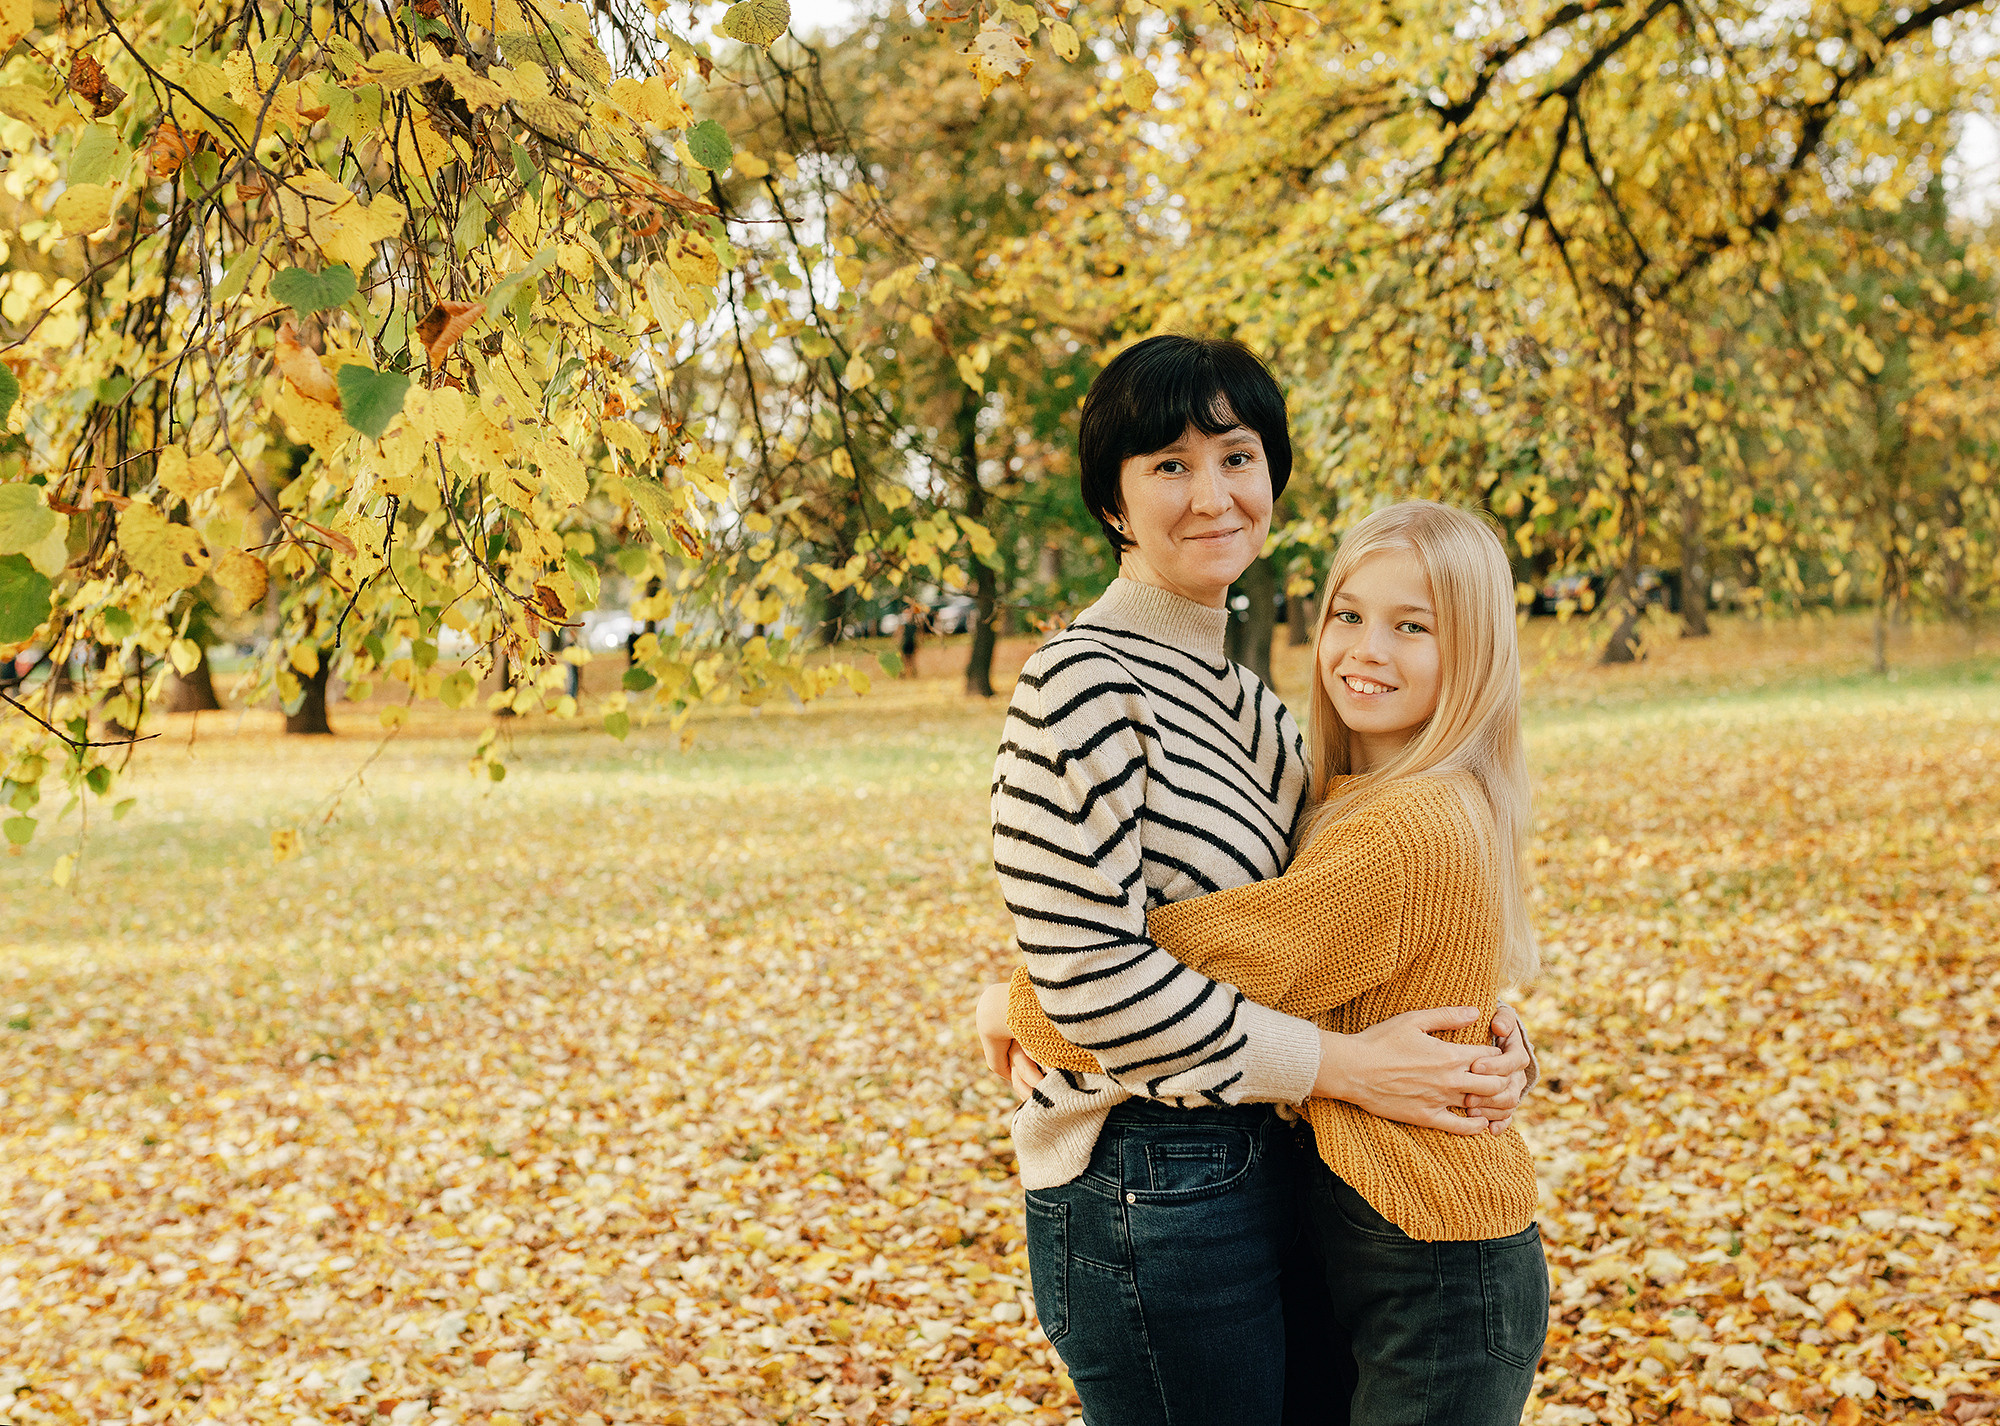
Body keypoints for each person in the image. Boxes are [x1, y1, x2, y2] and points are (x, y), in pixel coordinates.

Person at [972, 335, 1535, 1425]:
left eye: (1234, 456)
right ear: (1114, 502)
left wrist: (1484, 1042)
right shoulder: (1075, 684)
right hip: (1146, 1181)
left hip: (1278, 1169)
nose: (1210, 493)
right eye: (1167, 465)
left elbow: (1334, 929)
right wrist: (1343, 1067)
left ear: (1270, 474)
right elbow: (1093, 972)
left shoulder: (1261, 712)